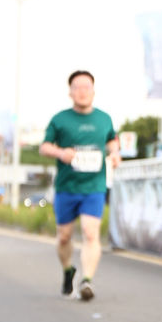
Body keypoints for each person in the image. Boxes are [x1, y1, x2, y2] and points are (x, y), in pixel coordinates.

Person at [40, 70, 120, 301]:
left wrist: (115, 153)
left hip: (94, 186)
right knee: (64, 237)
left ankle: (87, 281)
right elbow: (44, 147)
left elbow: (112, 141)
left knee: (90, 232)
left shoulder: (104, 118)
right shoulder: (60, 119)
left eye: (86, 87)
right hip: (67, 187)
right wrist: (60, 153)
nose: (82, 91)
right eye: (77, 87)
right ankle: (68, 271)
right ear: (70, 92)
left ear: (93, 91)